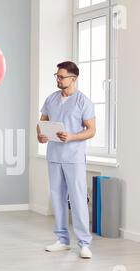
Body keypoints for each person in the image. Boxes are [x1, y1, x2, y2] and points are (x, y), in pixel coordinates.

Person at [37, 61, 96, 259]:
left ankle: (84, 243)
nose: (58, 79)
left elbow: (91, 130)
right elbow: (42, 123)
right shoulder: (51, 99)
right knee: (57, 198)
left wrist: (71, 136)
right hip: (54, 156)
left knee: (78, 199)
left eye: (61, 77)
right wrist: (41, 135)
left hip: (74, 158)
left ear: (73, 78)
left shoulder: (83, 101)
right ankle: (62, 240)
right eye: (57, 75)